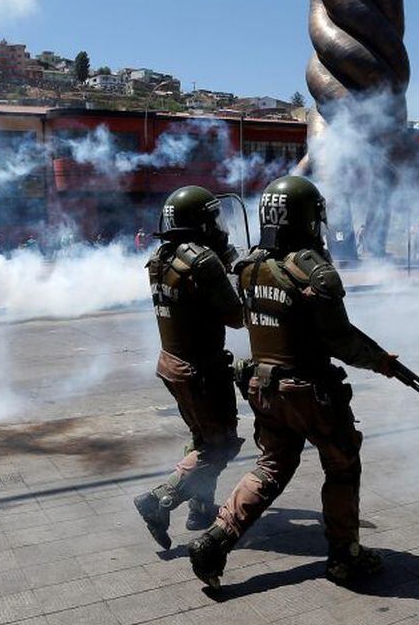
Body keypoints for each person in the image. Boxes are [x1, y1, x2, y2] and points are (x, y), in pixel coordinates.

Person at [187, 175, 398, 588]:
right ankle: (343, 557)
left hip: (263, 388)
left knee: (271, 467)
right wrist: (380, 362)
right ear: (306, 218)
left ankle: (215, 541)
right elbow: (339, 339)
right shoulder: (313, 273)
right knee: (342, 465)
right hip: (309, 393)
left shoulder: (249, 266)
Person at [134, 185, 246, 549]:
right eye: (212, 218)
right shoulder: (202, 262)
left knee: (203, 440)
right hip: (202, 370)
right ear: (200, 222)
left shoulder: (161, 257)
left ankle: (200, 507)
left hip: (172, 365)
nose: (218, 225)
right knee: (221, 446)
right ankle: (159, 500)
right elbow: (235, 317)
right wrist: (231, 270)